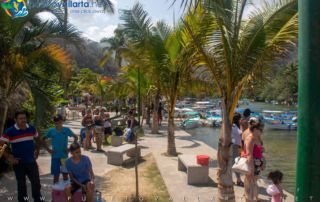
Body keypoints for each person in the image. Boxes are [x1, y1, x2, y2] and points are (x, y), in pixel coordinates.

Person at [0, 111, 44, 202]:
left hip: (31, 161)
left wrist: (37, 151)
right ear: (15, 120)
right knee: (21, 186)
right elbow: (0, 144)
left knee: (36, 183)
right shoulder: (10, 131)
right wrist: (9, 157)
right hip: (18, 163)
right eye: (20, 118)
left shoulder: (31, 128)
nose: (23, 120)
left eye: (24, 118)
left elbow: (38, 139)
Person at [43, 115, 78, 184]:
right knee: (56, 176)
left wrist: (70, 149)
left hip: (64, 156)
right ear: (54, 123)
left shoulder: (66, 130)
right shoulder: (51, 130)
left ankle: (66, 192)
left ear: (62, 122)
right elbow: (43, 139)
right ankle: (56, 193)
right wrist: (48, 149)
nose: (57, 125)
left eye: (59, 123)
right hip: (55, 156)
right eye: (56, 123)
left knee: (65, 175)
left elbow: (75, 137)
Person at [241, 118, 265, 202]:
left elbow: (261, 151)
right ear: (255, 129)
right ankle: (249, 199)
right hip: (252, 163)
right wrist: (251, 168)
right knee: (249, 181)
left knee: (254, 181)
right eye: (260, 129)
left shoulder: (257, 137)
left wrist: (263, 162)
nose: (262, 131)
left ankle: (254, 198)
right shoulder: (250, 138)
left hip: (257, 163)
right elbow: (249, 154)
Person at [231, 113, 244, 186]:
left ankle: (237, 179)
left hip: (236, 146)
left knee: (235, 162)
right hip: (234, 146)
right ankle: (238, 180)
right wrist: (242, 125)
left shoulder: (234, 125)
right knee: (236, 163)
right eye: (240, 119)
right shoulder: (234, 126)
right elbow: (241, 134)